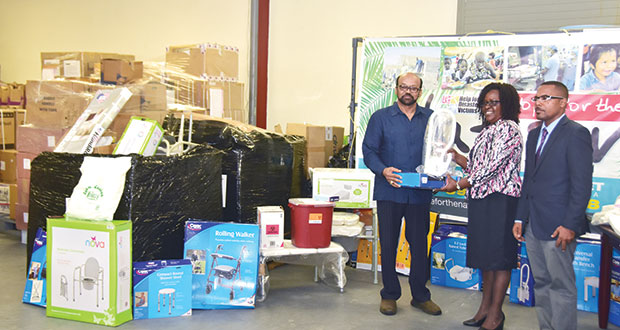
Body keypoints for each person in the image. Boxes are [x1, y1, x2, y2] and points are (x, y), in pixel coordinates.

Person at [439, 82, 523, 330]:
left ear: (506, 104)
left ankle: (496, 314)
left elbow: (491, 168)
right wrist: (456, 156)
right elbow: (477, 167)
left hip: (501, 201)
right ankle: (484, 309)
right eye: (485, 102)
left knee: (500, 259)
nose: (488, 107)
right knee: (485, 258)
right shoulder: (488, 130)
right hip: (482, 200)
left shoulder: (509, 129)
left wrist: (458, 185)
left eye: (493, 102)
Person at [512, 81, 593, 330]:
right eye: (536, 98)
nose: (538, 102)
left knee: (561, 286)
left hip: (559, 227)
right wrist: (519, 218)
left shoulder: (576, 133)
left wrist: (569, 224)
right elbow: (530, 181)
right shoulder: (535, 133)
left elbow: (581, 185)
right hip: (534, 225)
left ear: (563, 102)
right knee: (542, 283)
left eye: (545, 97)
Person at [362, 72, 441, 317]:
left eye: (414, 88)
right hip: (389, 192)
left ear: (420, 91)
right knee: (388, 243)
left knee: (419, 245)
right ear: (396, 89)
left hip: (419, 193)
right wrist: (383, 170)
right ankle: (389, 295)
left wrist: (438, 172)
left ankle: (420, 296)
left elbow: (440, 151)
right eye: (404, 87)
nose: (408, 91)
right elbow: (369, 151)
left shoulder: (431, 119)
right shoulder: (381, 118)